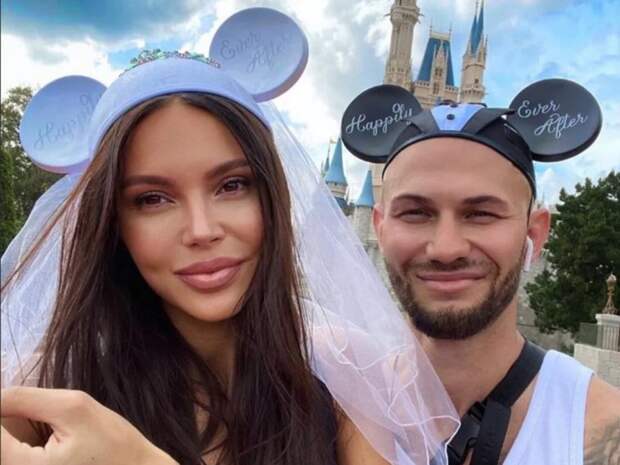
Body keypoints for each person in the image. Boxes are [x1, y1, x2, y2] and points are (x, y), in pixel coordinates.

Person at [1, 8, 458, 465]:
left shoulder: (344, 371)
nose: (202, 230)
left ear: (271, 194)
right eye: (152, 199)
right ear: (112, 222)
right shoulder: (45, 388)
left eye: (232, 185)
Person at [341, 80, 620, 464]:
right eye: (416, 213)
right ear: (380, 229)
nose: (446, 249)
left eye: (481, 214)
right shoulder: (332, 407)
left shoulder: (601, 430)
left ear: (534, 235)